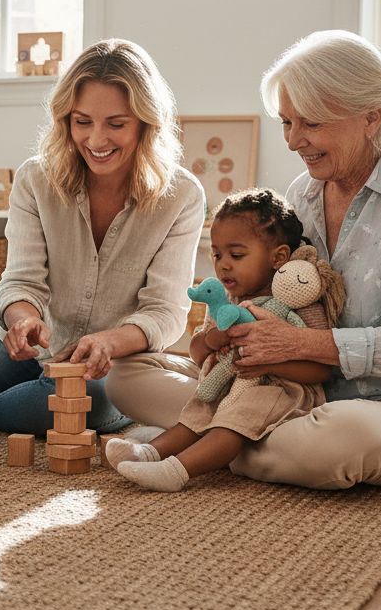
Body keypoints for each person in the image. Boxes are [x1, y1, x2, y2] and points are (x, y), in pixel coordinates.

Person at [111, 30, 381, 488]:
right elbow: (270, 303)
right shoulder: (302, 194)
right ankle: (230, 437)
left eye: (310, 123)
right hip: (296, 395)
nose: (293, 141)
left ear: (370, 116)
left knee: (335, 442)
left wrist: (299, 345)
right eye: (286, 123)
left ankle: (210, 442)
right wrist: (230, 336)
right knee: (127, 377)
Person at [0, 38, 205, 438]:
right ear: (66, 120)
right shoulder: (35, 179)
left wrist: (107, 342)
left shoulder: (181, 196)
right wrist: (23, 319)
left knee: (83, 404)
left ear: (146, 123)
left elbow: (165, 313)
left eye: (116, 124)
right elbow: (21, 280)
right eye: (82, 122)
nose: (96, 141)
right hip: (29, 351)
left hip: (112, 367)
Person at [108, 189, 334, 491]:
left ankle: (177, 471)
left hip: (281, 389)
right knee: (198, 408)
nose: (223, 264)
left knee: (236, 415)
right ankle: (151, 451)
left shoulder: (298, 299)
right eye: (217, 254)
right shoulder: (227, 299)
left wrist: (271, 363)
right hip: (225, 382)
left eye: (236, 255)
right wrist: (217, 338)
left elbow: (320, 371)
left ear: (278, 257)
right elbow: (197, 352)